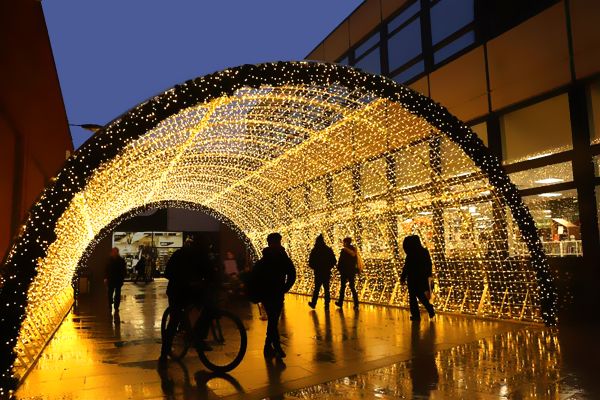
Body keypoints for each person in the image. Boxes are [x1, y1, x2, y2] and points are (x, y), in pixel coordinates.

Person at [160, 238, 217, 363]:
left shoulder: (179, 254)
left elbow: (167, 272)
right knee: (207, 309)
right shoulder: (202, 256)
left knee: (174, 322)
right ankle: (197, 337)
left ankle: (164, 354)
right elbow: (211, 276)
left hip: (177, 291)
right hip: (186, 292)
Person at [255, 233, 296, 359]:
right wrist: (285, 287)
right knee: (273, 320)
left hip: (270, 294)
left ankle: (268, 346)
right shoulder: (282, 257)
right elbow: (292, 274)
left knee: (273, 320)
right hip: (275, 293)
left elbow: (256, 275)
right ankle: (276, 347)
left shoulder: (266, 258)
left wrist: (284, 288)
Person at [401, 235, 435, 321]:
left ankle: (416, 315)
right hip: (422, 278)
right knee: (420, 295)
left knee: (413, 297)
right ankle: (429, 309)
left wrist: (403, 277)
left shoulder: (411, 254)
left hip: (412, 278)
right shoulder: (424, 251)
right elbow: (429, 264)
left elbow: (407, 266)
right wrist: (428, 275)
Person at [308, 234, 336, 310]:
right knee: (326, 288)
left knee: (317, 288)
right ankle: (327, 304)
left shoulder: (315, 250)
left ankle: (314, 303)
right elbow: (334, 260)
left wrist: (315, 267)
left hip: (318, 272)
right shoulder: (328, 249)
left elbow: (310, 262)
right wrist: (328, 267)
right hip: (326, 272)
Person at [335, 237, 359, 310]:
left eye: (343, 242)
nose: (343, 243)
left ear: (346, 242)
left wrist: (338, 268)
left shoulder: (344, 250)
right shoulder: (354, 250)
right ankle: (356, 304)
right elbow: (355, 260)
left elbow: (341, 261)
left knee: (342, 287)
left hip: (345, 271)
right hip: (352, 271)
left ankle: (340, 302)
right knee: (352, 287)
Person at [105, 247, 127, 313]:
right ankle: (111, 304)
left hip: (117, 279)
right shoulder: (110, 260)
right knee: (110, 293)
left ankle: (116, 306)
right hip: (112, 279)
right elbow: (106, 269)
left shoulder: (120, 260)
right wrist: (106, 277)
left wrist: (122, 278)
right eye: (113, 252)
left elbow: (123, 270)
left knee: (117, 293)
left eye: (115, 252)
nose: (114, 253)